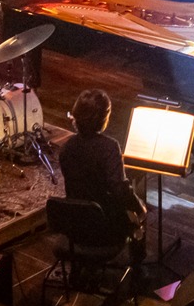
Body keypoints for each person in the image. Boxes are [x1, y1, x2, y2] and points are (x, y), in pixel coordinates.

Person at [60, 89, 147, 258]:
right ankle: (137, 264)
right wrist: (139, 207)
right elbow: (119, 190)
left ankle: (84, 267)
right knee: (137, 211)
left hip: (75, 228)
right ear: (104, 119)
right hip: (105, 230)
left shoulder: (67, 147)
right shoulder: (109, 148)